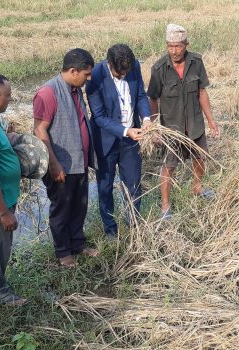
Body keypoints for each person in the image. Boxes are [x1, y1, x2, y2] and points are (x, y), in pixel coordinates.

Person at [33, 48, 99, 268]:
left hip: (78, 161)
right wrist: (53, 163)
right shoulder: (48, 93)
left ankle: (77, 244)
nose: (89, 78)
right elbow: (40, 130)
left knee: (79, 205)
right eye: (86, 74)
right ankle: (63, 252)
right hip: (61, 164)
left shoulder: (75, 89)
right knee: (61, 209)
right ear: (73, 71)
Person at [147, 24, 220, 219]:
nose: (174, 51)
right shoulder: (159, 68)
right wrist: (154, 128)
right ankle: (165, 207)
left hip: (195, 124)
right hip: (172, 128)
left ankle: (197, 188)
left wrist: (211, 121)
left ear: (186, 45)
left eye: (178, 46)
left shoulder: (196, 62)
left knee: (199, 158)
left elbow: (201, 92)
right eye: (170, 46)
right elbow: (152, 99)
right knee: (169, 166)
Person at [86, 44, 151, 239]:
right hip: (105, 140)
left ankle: (133, 224)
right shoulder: (95, 75)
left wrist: (146, 118)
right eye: (118, 73)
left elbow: (140, 95)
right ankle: (110, 229)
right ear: (109, 64)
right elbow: (99, 116)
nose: (123, 75)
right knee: (105, 187)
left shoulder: (134, 66)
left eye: (126, 72)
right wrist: (125, 131)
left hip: (131, 139)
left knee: (133, 184)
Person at [0, 73, 26, 306]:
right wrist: (4, 212)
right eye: (8, 96)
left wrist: (7, 136)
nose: (9, 100)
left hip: (3, 202)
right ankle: (0, 292)